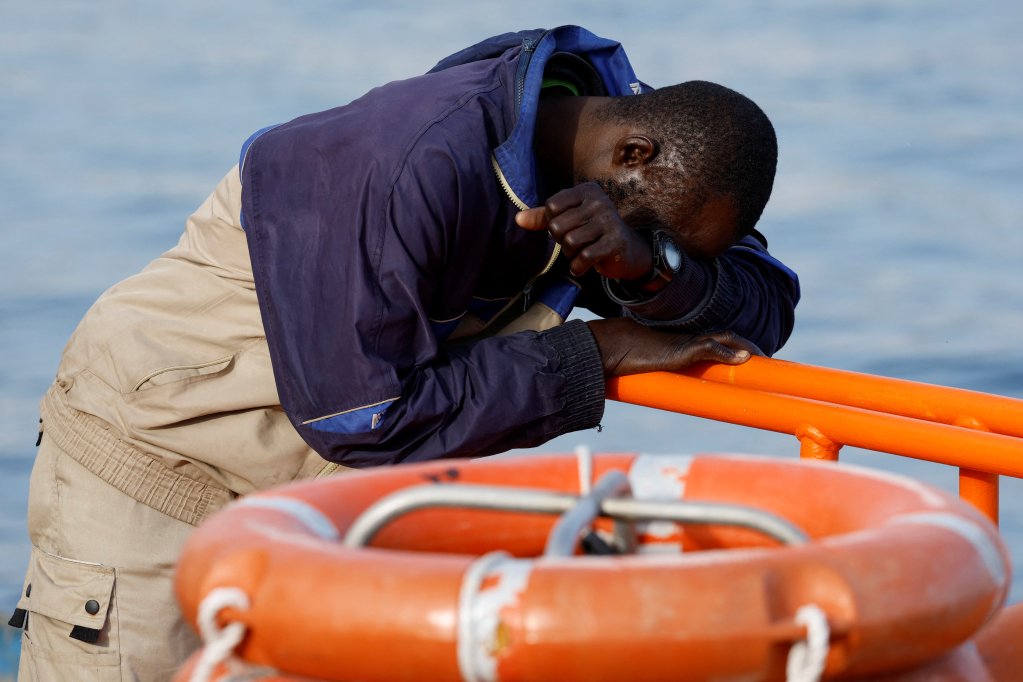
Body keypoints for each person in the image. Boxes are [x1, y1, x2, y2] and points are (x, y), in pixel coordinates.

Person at [9, 24, 799, 681]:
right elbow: (366, 417)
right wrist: (597, 352)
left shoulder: (627, 140)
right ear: (633, 156)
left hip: (312, 499)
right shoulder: (403, 164)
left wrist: (647, 267)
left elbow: (764, 305)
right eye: (658, 236)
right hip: (156, 472)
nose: (650, 250)